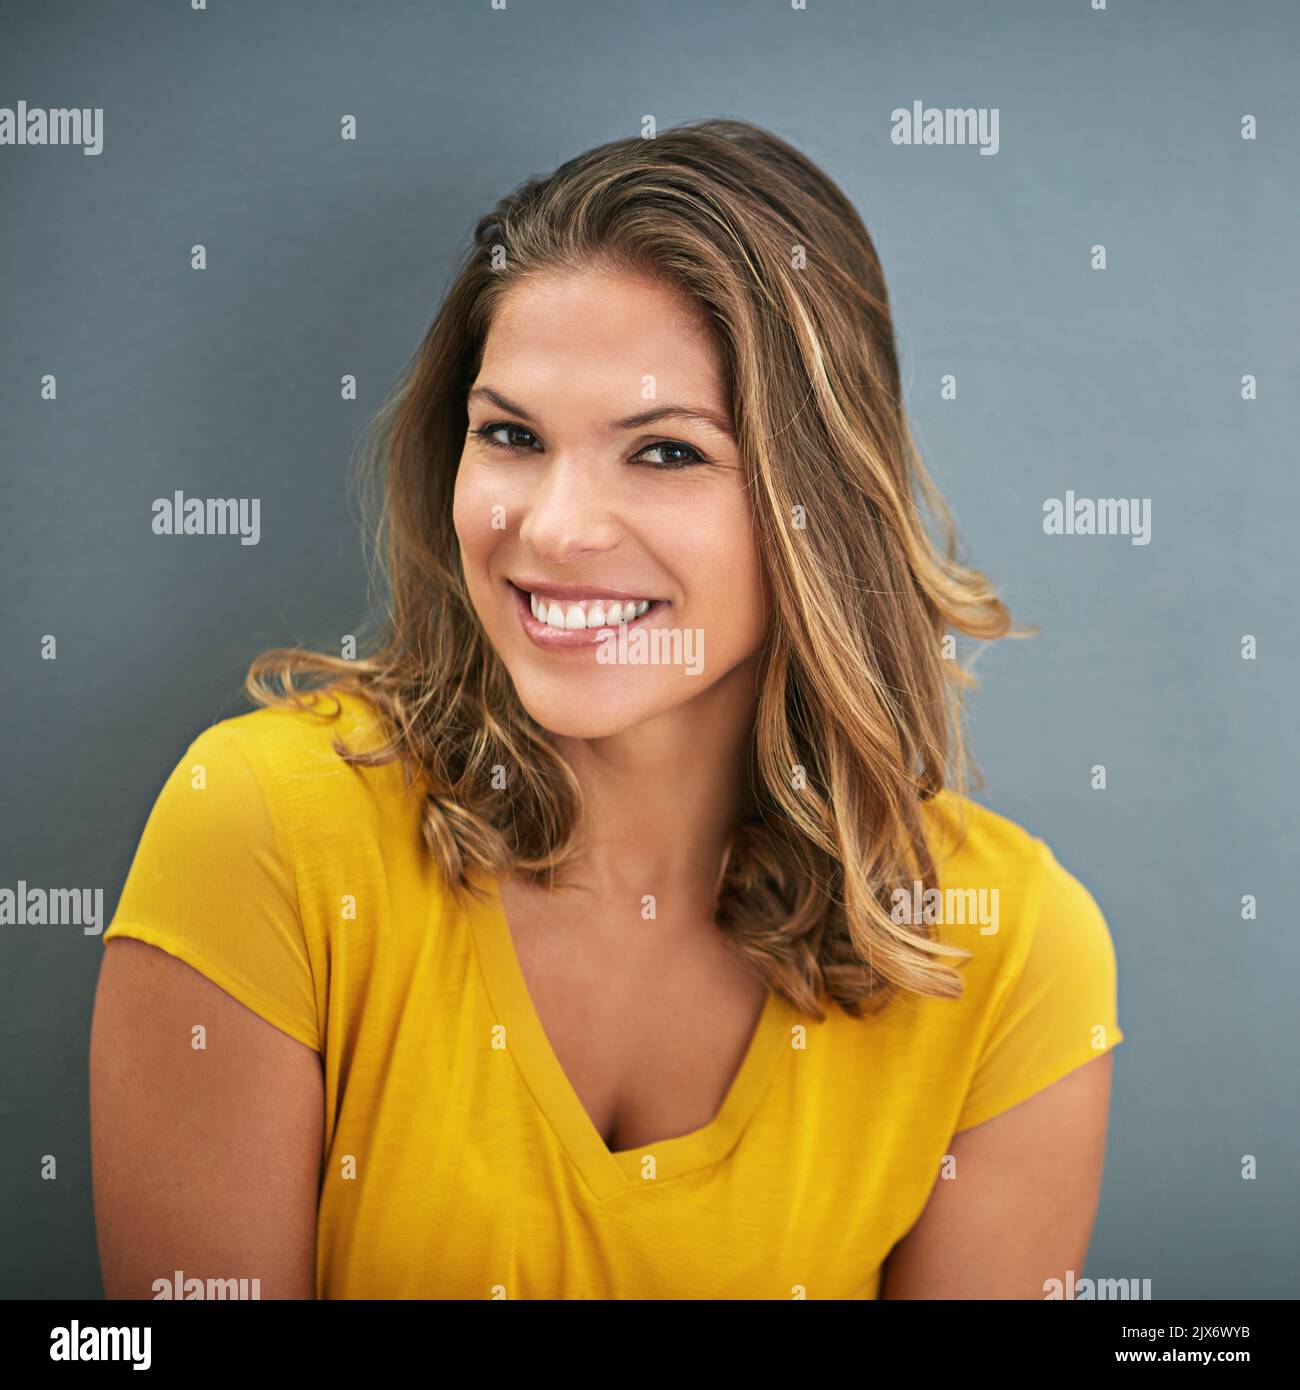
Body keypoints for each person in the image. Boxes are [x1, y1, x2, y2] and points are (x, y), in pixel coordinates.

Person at [91, 118, 1124, 1300]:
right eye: (512, 436)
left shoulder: (1009, 951)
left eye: (666, 453)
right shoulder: (266, 827)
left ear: (819, 502)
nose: (553, 528)